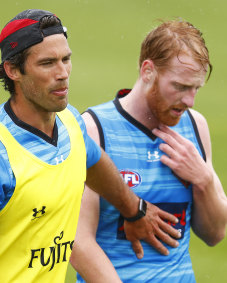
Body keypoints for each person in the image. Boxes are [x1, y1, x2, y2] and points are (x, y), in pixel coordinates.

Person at [0, 10, 182, 283]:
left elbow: (93, 162)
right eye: (47, 63)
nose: (62, 73)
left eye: (66, 60)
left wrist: (134, 209)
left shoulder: (70, 123)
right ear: (12, 70)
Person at [70, 20, 227, 282]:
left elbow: (215, 234)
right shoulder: (94, 128)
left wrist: (204, 180)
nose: (189, 101)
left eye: (195, 88)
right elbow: (78, 242)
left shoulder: (195, 126)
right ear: (148, 71)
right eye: (179, 86)